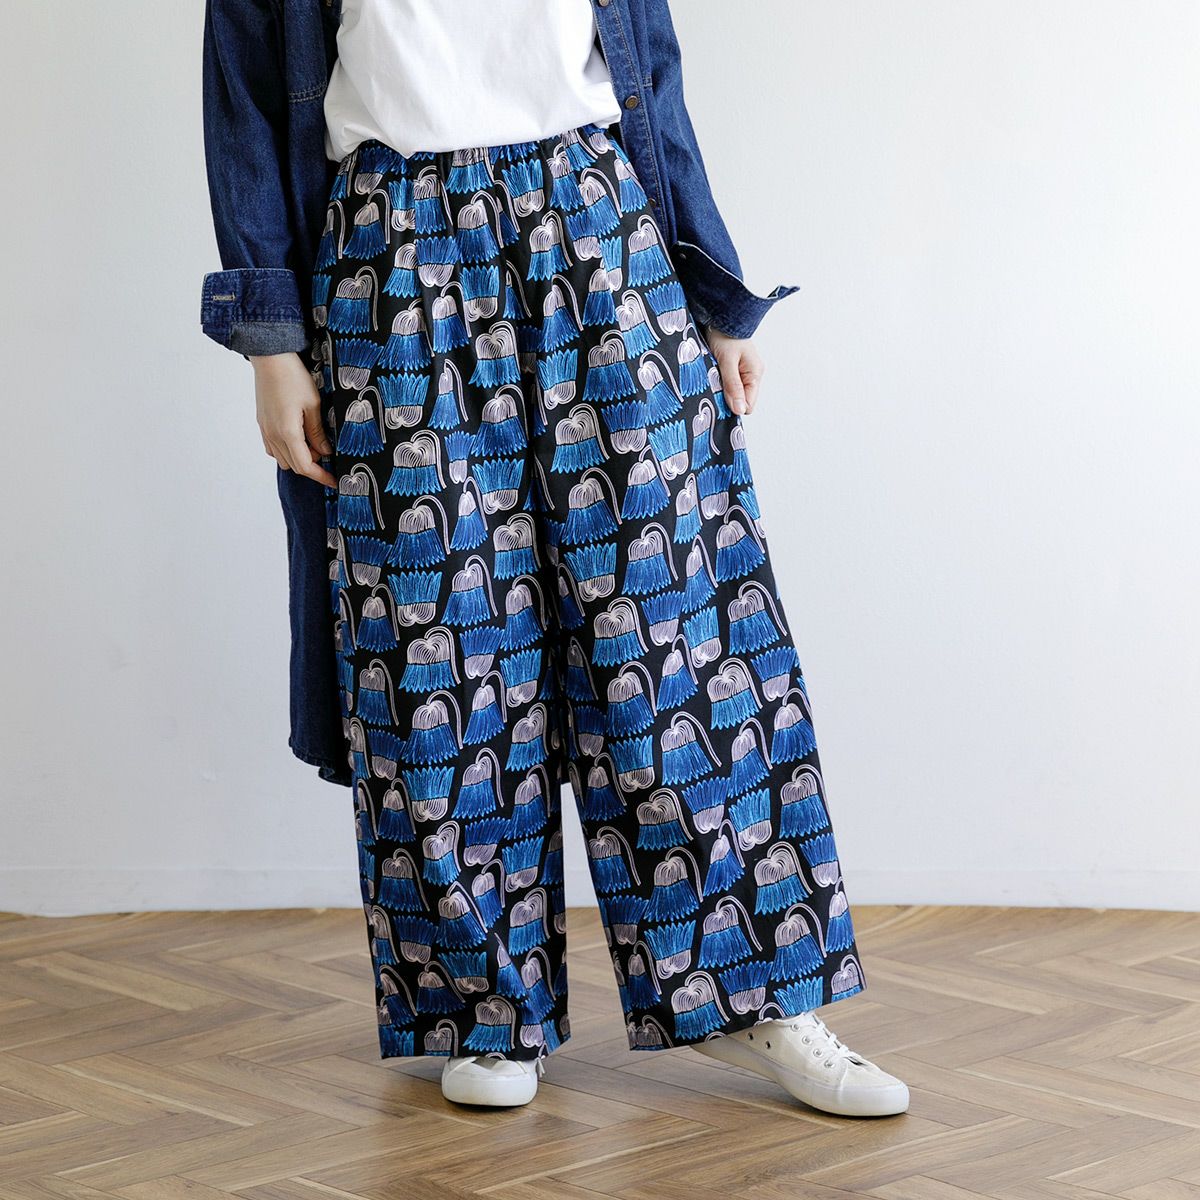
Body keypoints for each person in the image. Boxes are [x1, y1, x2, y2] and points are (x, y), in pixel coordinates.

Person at [199, 0, 909, 1116]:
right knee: (433, 640)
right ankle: (486, 1008)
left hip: (597, 219)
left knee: (674, 630)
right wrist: (272, 344)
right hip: (393, 243)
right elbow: (245, 92)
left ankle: (754, 994)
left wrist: (714, 289)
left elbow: (650, 73)